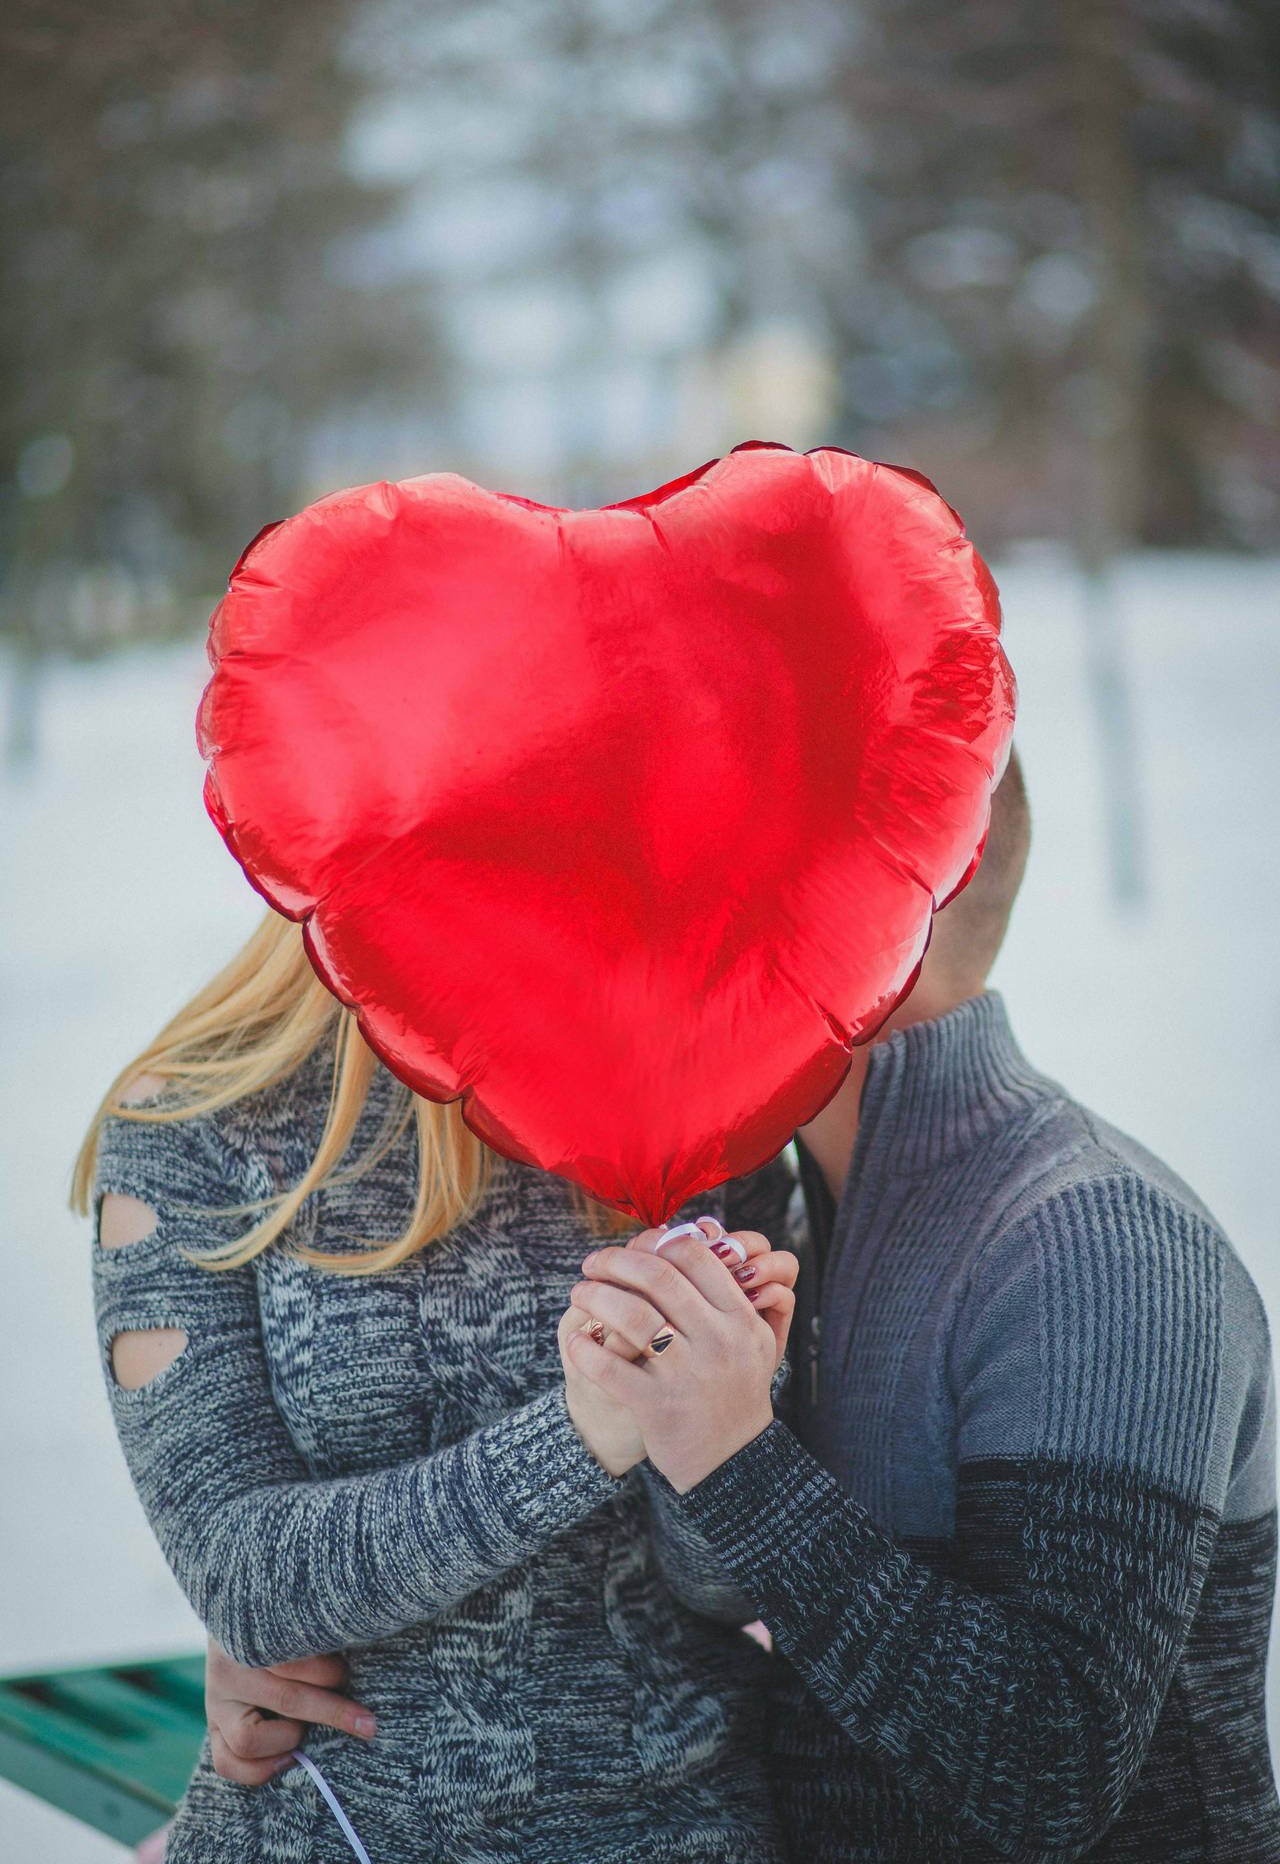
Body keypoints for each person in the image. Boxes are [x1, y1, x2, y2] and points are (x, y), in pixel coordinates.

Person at [566, 751, 1280, 1861]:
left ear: (863, 901)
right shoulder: (803, 1223)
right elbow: (738, 1597)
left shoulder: (1095, 1243)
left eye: (715, 872)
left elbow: (1051, 1769)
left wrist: (733, 1460)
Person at [76, 912, 800, 1864]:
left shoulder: (704, 1099)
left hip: (688, 1822)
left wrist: (726, 1426)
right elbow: (241, 1581)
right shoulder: (190, 1124)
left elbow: (723, 1591)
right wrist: (582, 1434)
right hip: (340, 1829)